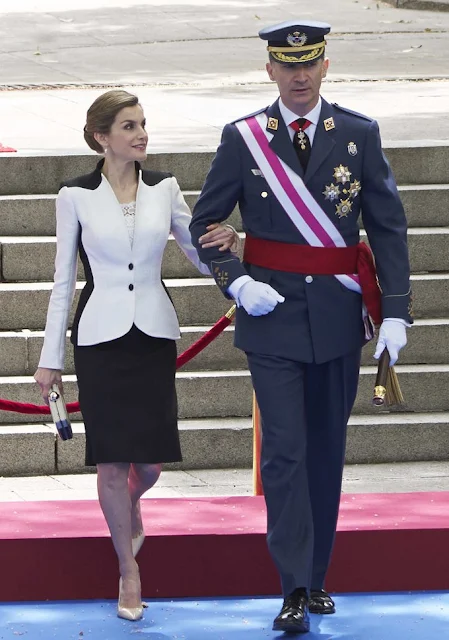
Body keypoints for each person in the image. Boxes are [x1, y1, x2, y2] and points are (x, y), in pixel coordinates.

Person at [190, 20, 412, 634]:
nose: (298, 74)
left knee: (325, 452)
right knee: (284, 452)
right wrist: (235, 280)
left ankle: (317, 578)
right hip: (273, 320)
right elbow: (206, 225)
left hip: (339, 318)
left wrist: (395, 309)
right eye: (287, 64)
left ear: (323, 65)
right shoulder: (244, 140)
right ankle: (292, 585)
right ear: (269, 70)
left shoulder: (359, 135)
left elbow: (387, 227)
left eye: (308, 62)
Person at [34, 90, 238, 622]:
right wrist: (49, 357)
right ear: (103, 137)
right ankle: (129, 569)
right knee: (109, 460)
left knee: (145, 465)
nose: (141, 134)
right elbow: (63, 283)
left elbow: (197, 254)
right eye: (129, 126)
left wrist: (230, 251)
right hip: (98, 339)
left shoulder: (165, 189)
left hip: (151, 336)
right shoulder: (73, 195)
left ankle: (132, 503)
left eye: (143, 124)